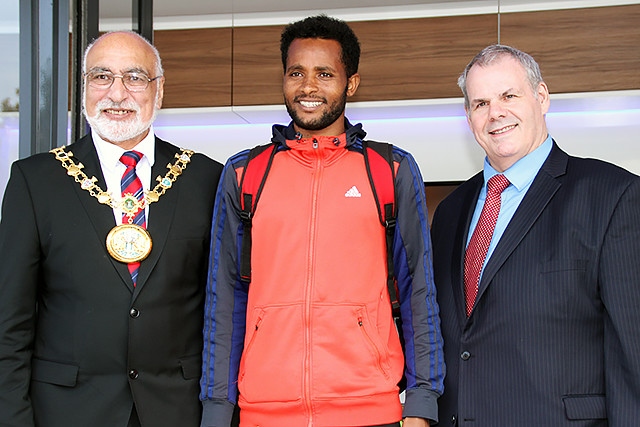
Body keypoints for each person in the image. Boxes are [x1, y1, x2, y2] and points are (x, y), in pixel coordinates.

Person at [199, 15, 444, 427]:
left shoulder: (391, 169)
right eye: (296, 72)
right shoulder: (244, 174)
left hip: (370, 409)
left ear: (351, 83)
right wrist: (217, 409)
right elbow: (223, 299)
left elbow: (419, 288)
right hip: (264, 413)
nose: (308, 87)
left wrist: (422, 401)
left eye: (324, 74)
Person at [0, 31, 223, 427]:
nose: (117, 93)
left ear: (160, 89)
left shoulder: (206, 178)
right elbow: (9, 323)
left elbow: (221, 313)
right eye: (101, 76)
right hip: (65, 412)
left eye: (134, 78)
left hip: (177, 411)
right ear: (83, 86)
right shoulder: (35, 180)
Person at [431, 44, 640, 426]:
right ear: (468, 115)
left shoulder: (614, 195)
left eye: (509, 95)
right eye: (480, 103)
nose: (496, 113)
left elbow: (634, 353)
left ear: (541, 97)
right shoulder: (449, 212)